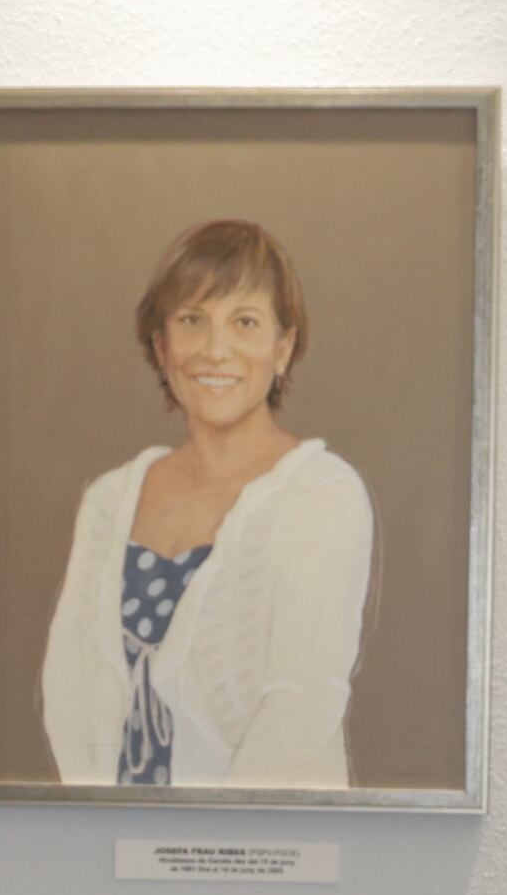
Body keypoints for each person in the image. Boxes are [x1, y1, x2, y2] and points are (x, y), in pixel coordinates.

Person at [39, 220, 373, 790]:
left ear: (282, 347)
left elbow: (302, 704)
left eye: (245, 322)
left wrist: (207, 840)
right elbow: (67, 689)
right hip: (110, 844)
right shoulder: (109, 499)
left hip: (266, 850)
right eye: (193, 320)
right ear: (162, 345)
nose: (216, 349)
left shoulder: (323, 495)